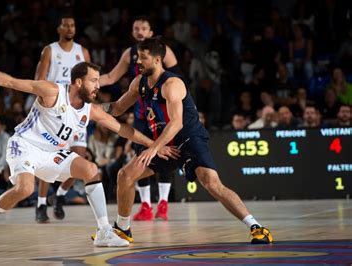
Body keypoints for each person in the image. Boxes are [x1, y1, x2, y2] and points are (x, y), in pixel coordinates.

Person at [0, 62, 178, 247]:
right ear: (78, 82)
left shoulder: (90, 110)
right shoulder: (53, 91)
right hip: (25, 144)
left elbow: (123, 129)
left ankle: (103, 231)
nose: (97, 86)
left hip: (52, 153)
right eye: (94, 80)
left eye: (98, 81)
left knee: (91, 170)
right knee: (25, 188)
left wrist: (154, 145)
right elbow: (12, 82)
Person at [101, 38, 273, 244]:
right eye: (137, 56)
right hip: (165, 145)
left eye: (143, 58)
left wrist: (153, 148)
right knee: (125, 175)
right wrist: (92, 106)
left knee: (211, 182)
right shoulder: (139, 83)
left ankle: (257, 227)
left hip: (189, 139)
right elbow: (118, 108)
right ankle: (123, 230)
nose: (138, 61)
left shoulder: (172, 84)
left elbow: (176, 124)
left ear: (157, 60)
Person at [99, 16, 181, 221]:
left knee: (165, 153)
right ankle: (145, 205)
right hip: (141, 112)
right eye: (136, 28)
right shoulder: (130, 53)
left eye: (144, 28)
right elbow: (110, 77)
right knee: (139, 155)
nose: (140, 31)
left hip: (161, 109)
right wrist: (88, 83)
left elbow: (178, 78)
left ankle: (163, 203)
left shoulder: (163, 51)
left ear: (151, 32)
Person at [32, 14, 92, 223]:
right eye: (65, 25)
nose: (69, 28)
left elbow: (90, 81)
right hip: (56, 109)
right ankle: (40, 204)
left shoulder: (82, 51)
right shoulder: (50, 50)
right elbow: (38, 81)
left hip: (76, 109)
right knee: (50, 158)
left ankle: (58, 196)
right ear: (58, 28)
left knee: (79, 157)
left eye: (72, 25)